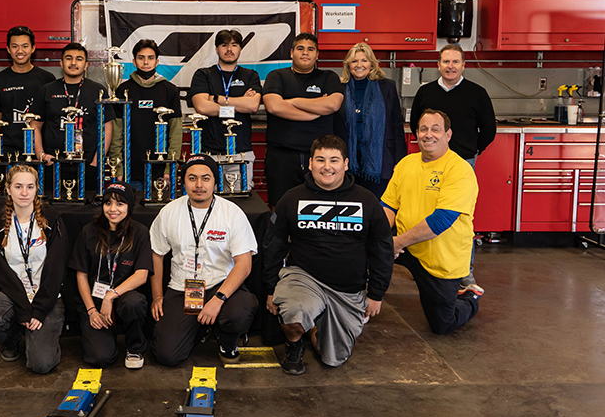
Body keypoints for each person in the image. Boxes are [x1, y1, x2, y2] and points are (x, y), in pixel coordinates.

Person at [263, 135, 394, 376]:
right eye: (320, 159)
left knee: (333, 359)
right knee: (294, 314)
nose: (327, 166)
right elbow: (274, 245)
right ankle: (294, 344)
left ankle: (314, 325)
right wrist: (271, 287)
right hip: (303, 279)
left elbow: (382, 248)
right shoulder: (292, 198)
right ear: (310, 163)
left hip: (348, 289)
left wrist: (376, 293)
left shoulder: (366, 200)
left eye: (334, 160)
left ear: (345, 164)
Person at [149, 154, 258, 366]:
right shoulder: (169, 212)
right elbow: (156, 254)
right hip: (182, 287)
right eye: (192, 178)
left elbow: (244, 264)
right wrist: (157, 296)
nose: (199, 185)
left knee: (239, 313)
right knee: (167, 356)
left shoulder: (232, 213)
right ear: (183, 182)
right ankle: (199, 328)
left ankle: (227, 341)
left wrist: (218, 299)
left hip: (221, 284)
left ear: (215, 182)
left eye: (206, 178)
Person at [381, 110, 484, 335]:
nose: (429, 135)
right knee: (360, 248)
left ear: (448, 134)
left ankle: (471, 295)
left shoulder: (459, 170)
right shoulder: (406, 164)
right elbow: (388, 206)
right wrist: (378, 238)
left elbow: (441, 220)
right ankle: (357, 304)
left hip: (441, 258)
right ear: (416, 134)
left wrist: (397, 243)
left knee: (442, 325)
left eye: (435, 129)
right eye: (423, 129)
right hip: (409, 247)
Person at [409, 43, 495, 287]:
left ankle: (464, 272)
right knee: (428, 213)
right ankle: (426, 266)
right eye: (446, 62)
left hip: (463, 161)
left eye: (455, 62)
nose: (450, 66)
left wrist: (473, 149)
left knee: (461, 219)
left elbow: (489, 128)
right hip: (429, 162)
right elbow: (417, 123)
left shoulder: (477, 92)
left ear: (463, 66)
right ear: (438, 65)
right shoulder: (425, 92)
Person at [0, 164, 68, 374]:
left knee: (41, 365)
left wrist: (39, 309)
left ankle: (45, 337)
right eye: (18, 186)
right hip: (16, 294)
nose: (24, 193)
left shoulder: (52, 220)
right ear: (8, 189)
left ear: (37, 189)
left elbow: (56, 270)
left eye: (30, 186)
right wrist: (24, 309)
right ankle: (12, 339)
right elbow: (3, 275)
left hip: (48, 297)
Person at [70, 181, 152, 369]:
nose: (112, 209)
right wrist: (91, 310)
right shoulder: (89, 231)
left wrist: (111, 295)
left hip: (123, 296)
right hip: (94, 301)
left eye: (120, 204)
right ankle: (105, 336)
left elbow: (141, 275)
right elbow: (81, 275)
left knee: (134, 302)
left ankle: (134, 347)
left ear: (129, 207)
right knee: (100, 358)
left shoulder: (139, 232)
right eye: (108, 203)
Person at [261, 32, 345, 206]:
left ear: (317, 55)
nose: (305, 53)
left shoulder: (329, 77)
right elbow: (274, 106)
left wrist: (293, 101)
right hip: (281, 157)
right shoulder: (276, 76)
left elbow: (333, 105)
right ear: (292, 53)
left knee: (320, 206)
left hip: (319, 158)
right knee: (280, 207)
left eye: (310, 49)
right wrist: (315, 111)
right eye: (300, 49)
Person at [32, 42, 114, 195]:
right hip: (53, 166)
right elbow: (34, 125)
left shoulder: (98, 90)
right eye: (69, 58)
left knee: (88, 212)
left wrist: (97, 161)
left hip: (88, 165)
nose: (74, 63)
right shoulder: (47, 90)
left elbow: (107, 127)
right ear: (61, 63)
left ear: (86, 64)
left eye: (79, 59)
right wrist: (41, 155)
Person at [189, 29, 261, 189]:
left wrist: (218, 99)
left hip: (240, 153)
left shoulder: (250, 76)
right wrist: (238, 106)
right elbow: (202, 107)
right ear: (216, 49)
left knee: (240, 205)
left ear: (240, 48)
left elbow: (253, 105)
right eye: (224, 45)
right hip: (208, 154)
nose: (229, 49)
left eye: (234, 45)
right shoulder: (203, 75)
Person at [108, 39, 182, 192]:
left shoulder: (170, 90)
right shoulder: (122, 90)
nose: (146, 62)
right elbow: (116, 132)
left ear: (157, 61)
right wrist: (118, 167)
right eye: (141, 58)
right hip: (129, 172)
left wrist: (170, 167)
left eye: (150, 58)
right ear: (134, 61)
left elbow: (175, 133)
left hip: (160, 172)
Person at [338, 42, 406, 198]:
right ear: (348, 65)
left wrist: (400, 160)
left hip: (379, 160)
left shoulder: (387, 87)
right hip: (347, 160)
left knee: (375, 206)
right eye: (354, 61)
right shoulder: (339, 88)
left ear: (372, 64)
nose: (359, 65)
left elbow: (396, 125)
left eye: (364, 60)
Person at [0, 25, 56, 155]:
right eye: (15, 46)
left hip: (40, 153)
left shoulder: (47, 79)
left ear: (33, 48)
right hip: (8, 153)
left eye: (25, 46)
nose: (20, 50)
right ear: (8, 49)